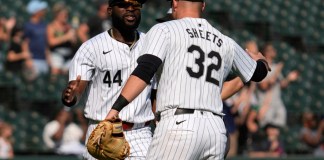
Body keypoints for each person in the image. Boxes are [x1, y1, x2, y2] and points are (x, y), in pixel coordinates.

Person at [105, 0, 270, 159]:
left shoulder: (165, 30)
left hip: (179, 125)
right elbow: (258, 73)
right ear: (203, 5)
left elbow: (145, 70)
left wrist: (115, 109)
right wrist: (261, 61)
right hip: (215, 130)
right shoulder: (225, 41)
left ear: (175, 3)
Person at [61, 0, 156, 159]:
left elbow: (156, 90)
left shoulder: (152, 45)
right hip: (102, 133)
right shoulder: (91, 47)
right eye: (124, 6)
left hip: (140, 133)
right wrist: (70, 96)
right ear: (110, 10)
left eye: (136, 6)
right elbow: (77, 90)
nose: (130, 10)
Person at [256, 42, 299, 128]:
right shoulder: (261, 66)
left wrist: (289, 78)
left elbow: (281, 85)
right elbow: (265, 85)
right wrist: (277, 70)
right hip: (265, 104)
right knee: (267, 129)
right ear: (266, 52)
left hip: (277, 103)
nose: (274, 51)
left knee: (277, 130)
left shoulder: (276, 66)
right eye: (271, 50)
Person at [47, 2, 77, 76]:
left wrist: (73, 39)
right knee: (55, 73)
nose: (65, 17)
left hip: (68, 55)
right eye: (63, 15)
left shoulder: (69, 27)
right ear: (57, 15)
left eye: (66, 15)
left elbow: (74, 42)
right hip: (56, 54)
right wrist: (66, 37)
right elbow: (51, 42)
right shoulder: (51, 27)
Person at [24, 0, 51, 77]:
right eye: (41, 10)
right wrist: (28, 59)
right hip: (33, 60)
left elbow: (45, 43)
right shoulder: (28, 26)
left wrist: (48, 57)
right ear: (35, 11)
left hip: (44, 60)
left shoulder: (44, 24)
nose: (43, 11)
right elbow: (25, 43)